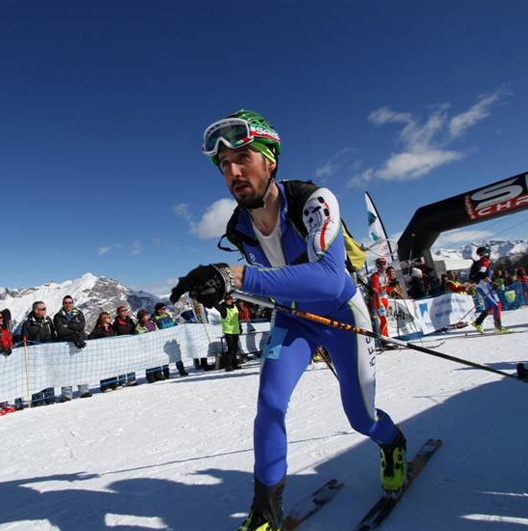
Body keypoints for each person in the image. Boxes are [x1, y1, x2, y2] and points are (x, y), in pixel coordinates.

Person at [170, 109, 407, 531]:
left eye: (243, 157)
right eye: (224, 165)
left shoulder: (313, 201)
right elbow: (270, 281)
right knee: (270, 405)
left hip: (339, 314)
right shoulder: (238, 227)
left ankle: (392, 442)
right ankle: (265, 513)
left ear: (271, 160)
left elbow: (332, 281)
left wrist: (236, 277)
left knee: (359, 416)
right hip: (293, 319)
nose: (233, 171)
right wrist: (221, 286)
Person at [53, 296, 91, 401]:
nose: (68, 304)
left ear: (73, 303)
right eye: (66, 303)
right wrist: (74, 333)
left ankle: (84, 391)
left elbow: (81, 326)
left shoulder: (79, 313)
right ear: (63, 304)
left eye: (70, 302)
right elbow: (60, 331)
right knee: (66, 369)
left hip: (79, 343)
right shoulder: (58, 316)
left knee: (81, 367)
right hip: (65, 345)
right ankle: (66, 394)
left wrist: (68, 325)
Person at [469, 247, 510, 334]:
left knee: (491, 306)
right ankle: (498, 327)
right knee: (496, 305)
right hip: (483, 285)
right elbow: (481, 274)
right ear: (485, 254)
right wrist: (491, 283)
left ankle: (478, 322)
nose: (489, 254)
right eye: (488, 252)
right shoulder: (484, 261)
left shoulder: (482, 262)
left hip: (482, 285)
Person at [152, 303, 189, 377]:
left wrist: (174, 324)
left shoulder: (167, 315)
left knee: (177, 354)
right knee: (165, 357)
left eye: (165, 308)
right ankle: (166, 373)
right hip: (163, 340)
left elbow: (174, 324)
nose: (164, 310)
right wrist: (171, 324)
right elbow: (162, 327)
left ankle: (181, 370)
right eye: (163, 309)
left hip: (172, 338)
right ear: (158, 310)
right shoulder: (154, 318)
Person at [88, 311, 122, 392]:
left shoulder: (111, 327)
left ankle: (114, 383)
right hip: (102, 352)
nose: (109, 319)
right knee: (105, 368)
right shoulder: (98, 328)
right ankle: (105, 385)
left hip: (111, 351)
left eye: (109, 317)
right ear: (103, 319)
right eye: (107, 317)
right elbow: (91, 337)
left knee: (113, 367)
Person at [112, 306, 139, 386]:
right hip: (121, 345)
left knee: (131, 361)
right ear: (119, 313)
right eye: (122, 311)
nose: (125, 312)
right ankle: (122, 381)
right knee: (122, 363)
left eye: (125, 310)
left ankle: (132, 379)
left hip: (130, 344)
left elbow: (134, 330)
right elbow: (115, 333)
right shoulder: (116, 322)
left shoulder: (130, 320)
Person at [216, 294, 242, 371]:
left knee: (234, 348)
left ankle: (234, 364)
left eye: (230, 299)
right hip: (228, 331)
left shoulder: (235, 307)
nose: (229, 300)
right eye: (227, 299)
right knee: (230, 349)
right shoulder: (223, 308)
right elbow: (217, 306)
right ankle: (228, 366)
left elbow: (237, 319)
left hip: (235, 330)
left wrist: (240, 327)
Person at [369, 257, 390, 337]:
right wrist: (386, 286)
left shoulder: (386, 276)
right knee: (383, 319)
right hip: (378, 299)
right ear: (377, 265)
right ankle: (384, 338)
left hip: (385, 298)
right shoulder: (375, 276)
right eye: (380, 264)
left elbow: (389, 290)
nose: (382, 266)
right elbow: (376, 289)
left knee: (385, 320)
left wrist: (392, 286)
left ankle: (386, 337)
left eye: (384, 264)